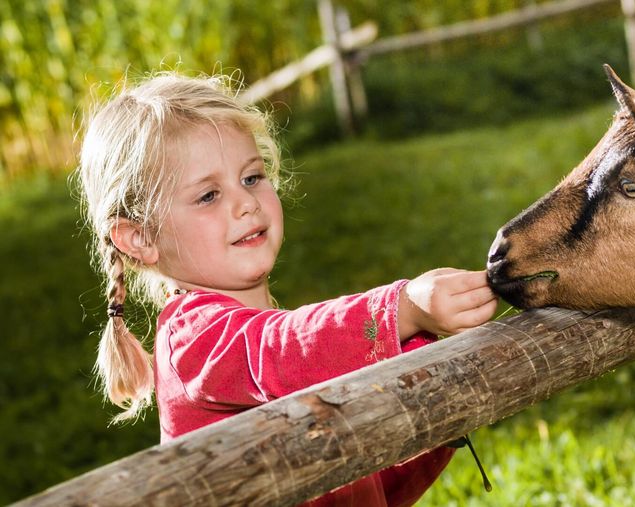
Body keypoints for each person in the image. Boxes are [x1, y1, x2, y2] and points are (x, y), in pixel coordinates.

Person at [76, 72, 498, 506]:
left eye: (252, 177)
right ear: (140, 239)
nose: (245, 203)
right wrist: (402, 310)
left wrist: (436, 414)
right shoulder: (194, 340)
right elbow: (280, 349)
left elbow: (359, 487)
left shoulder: (298, 353)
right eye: (208, 196)